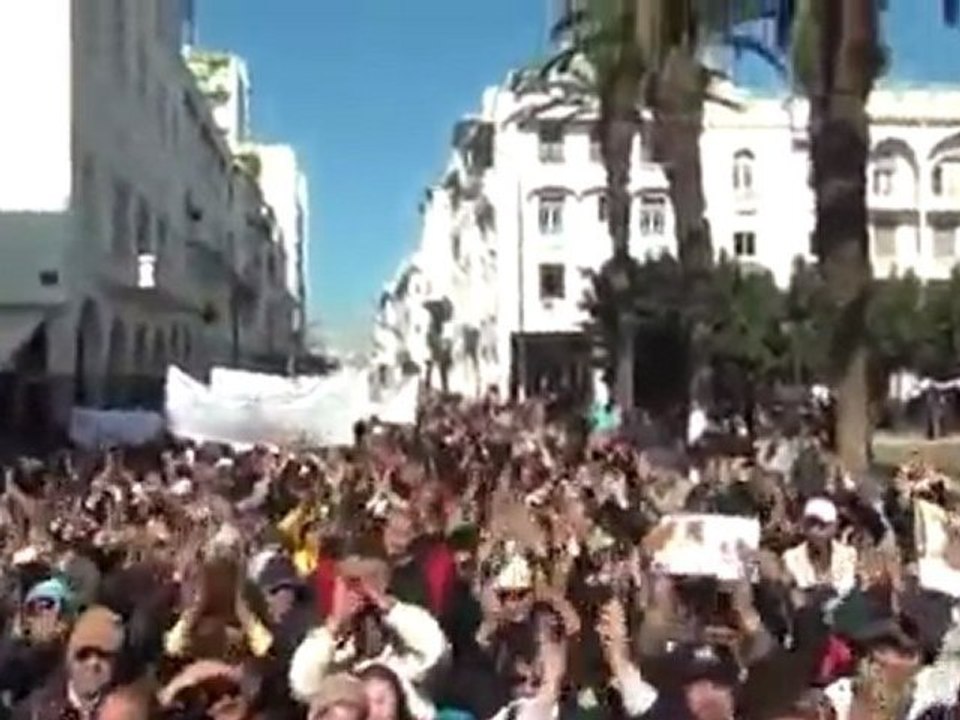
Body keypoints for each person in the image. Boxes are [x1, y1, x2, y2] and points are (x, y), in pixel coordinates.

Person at [782, 499, 857, 599]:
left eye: (823, 524)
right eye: (812, 523)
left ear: (836, 525)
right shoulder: (790, 558)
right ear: (803, 526)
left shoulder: (849, 554)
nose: (817, 530)